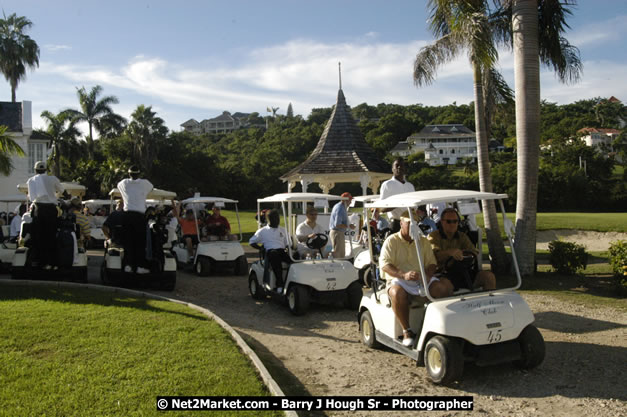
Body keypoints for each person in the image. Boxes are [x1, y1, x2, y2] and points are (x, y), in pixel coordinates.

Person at [379, 215, 454, 347]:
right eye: (409, 223)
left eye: (415, 223)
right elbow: (385, 265)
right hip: (399, 279)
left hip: (420, 278)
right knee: (397, 293)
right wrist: (404, 275)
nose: (413, 226)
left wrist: (427, 274)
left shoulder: (423, 241)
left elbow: (431, 263)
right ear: (401, 223)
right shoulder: (391, 241)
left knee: (443, 288)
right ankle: (407, 331)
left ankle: (436, 327)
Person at [428, 207, 496, 291]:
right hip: (443, 273)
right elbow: (435, 256)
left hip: (463, 272)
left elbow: (473, 251)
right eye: (448, 221)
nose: (452, 224)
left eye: (455, 221)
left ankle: (489, 302)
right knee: (445, 286)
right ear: (442, 222)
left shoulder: (462, 236)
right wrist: (450, 253)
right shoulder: (434, 236)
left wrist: (462, 253)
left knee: (489, 277)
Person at [26, 161, 64, 269]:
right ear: (46, 169)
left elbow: (31, 197)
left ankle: (40, 262)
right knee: (51, 235)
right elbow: (62, 191)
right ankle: (54, 263)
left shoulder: (31, 180)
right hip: (51, 210)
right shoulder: (53, 179)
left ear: (35, 170)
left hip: (39, 210)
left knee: (39, 236)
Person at [117, 165, 153, 274]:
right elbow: (151, 188)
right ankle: (140, 266)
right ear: (139, 174)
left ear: (129, 173)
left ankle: (128, 265)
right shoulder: (145, 183)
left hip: (127, 215)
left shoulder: (123, 183)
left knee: (128, 242)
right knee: (140, 243)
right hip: (139, 216)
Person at [249, 209, 291, 293]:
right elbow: (252, 242)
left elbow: (288, 243)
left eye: (277, 218)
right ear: (268, 219)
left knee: (294, 260)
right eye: (274, 218)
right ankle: (279, 284)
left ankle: (290, 283)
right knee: (275, 255)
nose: (277, 220)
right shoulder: (263, 231)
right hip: (270, 252)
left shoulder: (283, 230)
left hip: (281, 251)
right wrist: (260, 248)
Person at [380, 158, 415, 233]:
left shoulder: (410, 186)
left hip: (411, 223)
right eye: (397, 165)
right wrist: (399, 203)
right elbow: (382, 208)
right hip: (396, 224)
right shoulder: (387, 184)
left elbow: (414, 207)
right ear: (392, 169)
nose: (399, 167)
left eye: (402, 165)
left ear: (405, 169)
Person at [329, 192, 355, 258]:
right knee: (339, 255)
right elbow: (338, 224)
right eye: (350, 200)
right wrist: (349, 226)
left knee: (340, 253)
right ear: (345, 200)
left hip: (337, 233)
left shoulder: (340, 206)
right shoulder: (340, 208)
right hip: (337, 233)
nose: (351, 202)